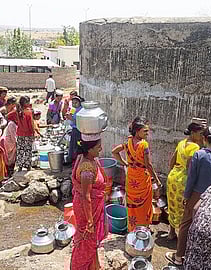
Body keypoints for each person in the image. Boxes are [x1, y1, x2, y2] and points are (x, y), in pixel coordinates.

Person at [166, 126, 211, 266]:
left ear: (204, 139)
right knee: (208, 224)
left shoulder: (199, 155)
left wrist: (186, 197)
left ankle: (178, 257)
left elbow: (192, 178)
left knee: (186, 224)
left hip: (197, 195)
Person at [112, 117, 161, 232]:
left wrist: (125, 163)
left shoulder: (128, 142)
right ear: (137, 131)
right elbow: (148, 165)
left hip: (131, 177)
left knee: (132, 204)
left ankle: (132, 228)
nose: (147, 133)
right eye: (145, 131)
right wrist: (157, 180)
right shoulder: (144, 145)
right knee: (144, 204)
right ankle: (143, 228)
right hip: (142, 179)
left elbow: (114, 151)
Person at [71, 135, 108, 270]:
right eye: (98, 147)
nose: (101, 149)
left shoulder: (90, 159)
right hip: (87, 209)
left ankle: (94, 266)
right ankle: (79, 266)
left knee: (91, 242)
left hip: (92, 206)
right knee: (86, 239)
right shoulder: (87, 169)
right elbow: (86, 197)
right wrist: (90, 222)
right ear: (89, 149)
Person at [165, 119, 206, 241]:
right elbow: (190, 168)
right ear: (193, 133)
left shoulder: (182, 143)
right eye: (200, 133)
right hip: (183, 180)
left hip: (173, 177)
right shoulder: (195, 147)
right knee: (185, 209)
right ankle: (184, 237)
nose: (202, 136)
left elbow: (172, 161)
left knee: (172, 205)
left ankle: (171, 232)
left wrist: (173, 173)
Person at [8, 96, 35, 171]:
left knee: (20, 150)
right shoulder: (28, 112)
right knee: (28, 150)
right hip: (28, 134)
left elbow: (8, 116)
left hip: (20, 134)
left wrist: (17, 122)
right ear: (26, 103)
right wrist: (33, 133)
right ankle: (28, 166)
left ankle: (20, 166)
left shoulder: (17, 111)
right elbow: (31, 124)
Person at [66, 95, 83, 164]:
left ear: (79, 103)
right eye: (73, 103)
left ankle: (77, 160)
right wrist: (68, 116)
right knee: (72, 145)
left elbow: (80, 122)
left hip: (78, 130)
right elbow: (70, 117)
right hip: (73, 129)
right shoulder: (73, 109)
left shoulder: (81, 111)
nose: (74, 104)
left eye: (76, 103)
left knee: (77, 145)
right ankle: (71, 159)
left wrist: (71, 118)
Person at [2, 112, 18, 177]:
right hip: (10, 143)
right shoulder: (12, 124)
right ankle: (9, 173)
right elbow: (13, 136)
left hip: (11, 142)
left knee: (11, 157)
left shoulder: (14, 123)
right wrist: (17, 143)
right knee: (10, 158)